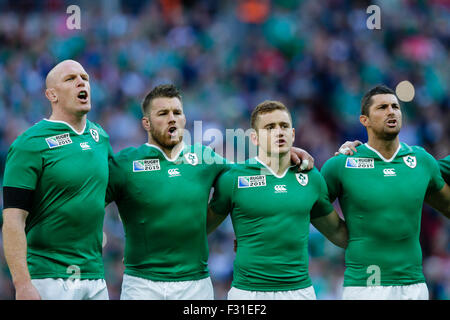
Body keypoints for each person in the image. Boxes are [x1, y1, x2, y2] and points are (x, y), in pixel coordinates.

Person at [106, 84, 314, 300]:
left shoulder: (204, 159)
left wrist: (282, 153)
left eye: (177, 112)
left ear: (185, 119)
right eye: (163, 113)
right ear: (146, 123)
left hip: (195, 284)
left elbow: (245, 175)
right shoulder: (126, 163)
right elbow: (89, 203)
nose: (172, 118)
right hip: (142, 284)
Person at [207, 100, 348, 300]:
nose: (279, 132)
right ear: (254, 138)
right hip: (248, 293)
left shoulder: (311, 178)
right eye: (270, 128)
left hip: (299, 292)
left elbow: (338, 233)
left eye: (284, 126)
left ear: (293, 134)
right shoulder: (234, 179)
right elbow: (201, 228)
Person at [320, 84, 450, 300]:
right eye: (382, 107)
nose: (391, 111)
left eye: (395, 107)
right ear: (365, 120)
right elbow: (311, 202)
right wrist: (339, 234)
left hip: (414, 285)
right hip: (366, 286)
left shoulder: (421, 161)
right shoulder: (342, 164)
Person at [2, 60, 111, 300]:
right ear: (52, 95)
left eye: (85, 77)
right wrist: (22, 284)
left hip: (95, 276)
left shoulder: (100, 137)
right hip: (48, 277)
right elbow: (12, 219)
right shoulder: (29, 144)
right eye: (70, 79)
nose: (81, 81)